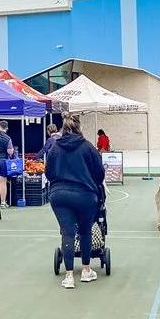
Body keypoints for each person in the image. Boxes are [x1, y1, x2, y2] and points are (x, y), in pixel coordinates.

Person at [43, 115, 107, 289]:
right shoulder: (88, 148)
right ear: (80, 128)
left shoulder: (55, 148)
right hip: (85, 195)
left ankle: (69, 275)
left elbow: (48, 173)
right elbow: (100, 174)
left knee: (67, 232)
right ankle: (86, 270)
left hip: (59, 195)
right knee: (85, 231)